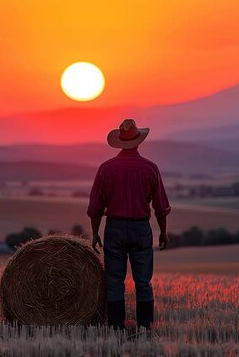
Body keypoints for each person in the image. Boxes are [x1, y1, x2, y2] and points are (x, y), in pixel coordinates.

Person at [87, 119, 171, 330]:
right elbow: (161, 207)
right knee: (144, 282)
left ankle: (116, 329)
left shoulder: (106, 169)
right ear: (138, 141)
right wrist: (163, 232)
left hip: (114, 228)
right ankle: (145, 328)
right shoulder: (150, 168)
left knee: (114, 281)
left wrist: (95, 233)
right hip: (141, 229)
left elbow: (95, 207)